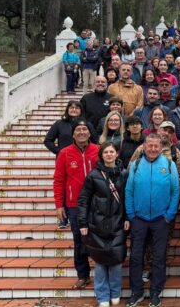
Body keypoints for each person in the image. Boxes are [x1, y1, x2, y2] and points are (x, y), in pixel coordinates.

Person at [125, 134, 180, 307]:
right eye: (150, 146)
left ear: (161, 147)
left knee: (159, 257)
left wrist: (169, 216)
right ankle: (137, 292)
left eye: (156, 146)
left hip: (160, 220)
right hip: (139, 219)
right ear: (144, 146)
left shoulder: (169, 165)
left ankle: (156, 292)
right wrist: (131, 215)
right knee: (136, 257)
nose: (153, 149)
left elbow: (175, 191)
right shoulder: (135, 165)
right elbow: (128, 191)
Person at [77, 142, 129, 307]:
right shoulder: (93, 175)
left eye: (111, 151)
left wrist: (128, 218)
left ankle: (115, 292)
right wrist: (83, 222)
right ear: (101, 155)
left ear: (116, 154)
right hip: (97, 224)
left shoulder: (124, 174)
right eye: (105, 152)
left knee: (116, 259)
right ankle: (102, 295)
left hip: (118, 223)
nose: (109, 154)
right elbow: (83, 200)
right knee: (100, 261)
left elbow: (128, 198)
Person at [52, 120, 99, 290]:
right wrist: (59, 205)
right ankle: (83, 275)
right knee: (79, 240)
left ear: (89, 132)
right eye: (78, 129)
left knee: (99, 238)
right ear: (72, 134)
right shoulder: (65, 153)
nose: (81, 132)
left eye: (84, 129)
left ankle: (102, 274)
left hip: (97, 203)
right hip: (74, 205)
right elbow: (58, 180)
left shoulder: (98, 150)